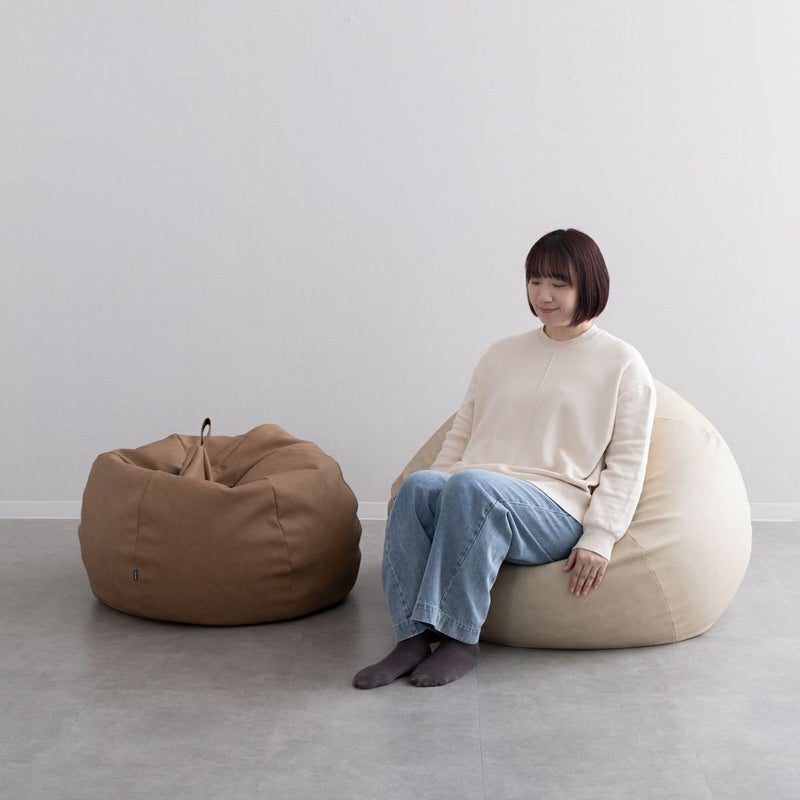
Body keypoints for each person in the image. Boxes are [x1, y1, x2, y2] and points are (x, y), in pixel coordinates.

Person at [353, 228, 657, 689]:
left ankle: (459, 639)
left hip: (555, 506)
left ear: (589, 286)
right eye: (535, 281)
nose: (544, 295)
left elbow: (629, 458)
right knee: (418, 486)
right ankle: (411, 639)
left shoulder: (623, 363)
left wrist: (601, 536)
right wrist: (433, 491)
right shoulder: (501, 354)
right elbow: (461, 434)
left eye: (559, 284)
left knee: (471, 485)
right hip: (475, 488)